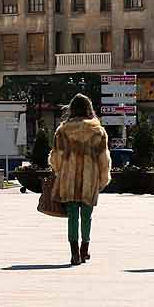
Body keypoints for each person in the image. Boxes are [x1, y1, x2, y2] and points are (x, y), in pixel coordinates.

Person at [49, 94, 113, 266]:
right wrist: (103, 179)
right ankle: (85, 251)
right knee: (86, 216)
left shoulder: (62, 131)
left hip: (68, 179)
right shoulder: (98, 131)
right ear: (89, 109)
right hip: (89, 179)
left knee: (72, 217)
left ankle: (74, 253)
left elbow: (56, 158)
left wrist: (61, 171)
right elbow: (104, 159)